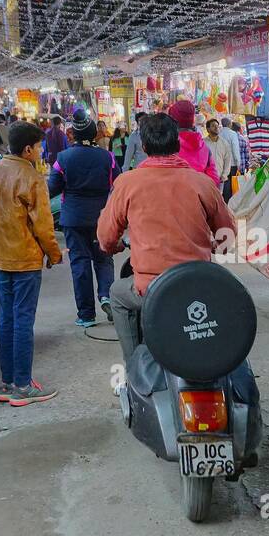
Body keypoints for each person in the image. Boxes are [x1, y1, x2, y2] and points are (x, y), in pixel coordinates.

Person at [98, 113, 238, 361]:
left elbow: (106, 238)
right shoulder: (203, 183)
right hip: (199, 282)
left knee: (117, 295)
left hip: (150, 288)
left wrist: (115, 245)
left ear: (143, 146)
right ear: (177, 145)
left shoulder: (126, 183)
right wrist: (215, 245)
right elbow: (227, 236)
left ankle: (134, 368)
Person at [0, 122, 62, 406]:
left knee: (7, 320)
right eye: (39, 146)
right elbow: (44, 227)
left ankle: (7, 382)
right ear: (28, 149)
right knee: (23, 321)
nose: (41, 151)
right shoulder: (32, 178)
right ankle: (23, 385)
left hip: (1, 257)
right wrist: (54, 254)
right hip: (26, 259)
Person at [50, 113, 118, 328]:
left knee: (80, 262)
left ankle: (87, 314)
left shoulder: (62, 158)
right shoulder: (108, 157)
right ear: (94, 134)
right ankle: (106, 295)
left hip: (73, 218)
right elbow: (118, 183)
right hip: (101, 217)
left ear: (74, 134)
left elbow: (53, 187)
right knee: (103, 258)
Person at [166, 99, 221, 184]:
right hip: (198, 195)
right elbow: (214, 181)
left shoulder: (166, 146)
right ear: (192, 120)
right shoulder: (204, 148)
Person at [206, 118, 236, 199]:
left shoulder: (224, 143)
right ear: (208, 129)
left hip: (220, 178)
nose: (216, 128)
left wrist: (224, 175)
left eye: (217, 126)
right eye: (213, 126)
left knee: (219, 199)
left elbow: (227, 161)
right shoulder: (203, 143)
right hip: (207, 179)